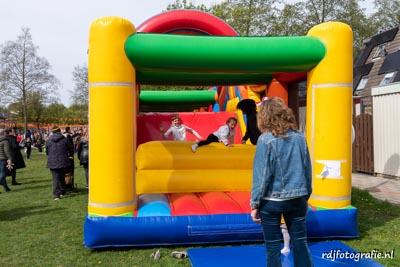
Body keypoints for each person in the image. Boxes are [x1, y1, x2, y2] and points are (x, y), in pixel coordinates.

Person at [250, 97, 313, 267]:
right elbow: (307, 170)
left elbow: (262, 176)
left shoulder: (265, 140)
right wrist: (305, 196)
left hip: (272, 201)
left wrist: (255, 204)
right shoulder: (300, 137)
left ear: (264, 117)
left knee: (272, 246)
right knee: (300, 243)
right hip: (297, 198)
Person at [46, 126, 74, 200]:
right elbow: (71, 149)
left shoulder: (49, 140)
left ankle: (56, 195)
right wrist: (70, 155)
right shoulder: (65, 139)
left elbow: (47, 151)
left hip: (52, 161)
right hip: (63, 161)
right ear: (59, 131)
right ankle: (62, 191)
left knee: (55, 178)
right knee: (62, 176)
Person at [0, 128, 13, 192]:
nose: (6, 133)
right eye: (5, 132)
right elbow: (7, 151)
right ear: (3, 133)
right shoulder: (5, 141)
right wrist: (10, 158)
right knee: (3, 173)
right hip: (2, 159)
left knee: (1, 174)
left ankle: (6, 188)